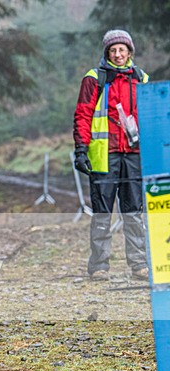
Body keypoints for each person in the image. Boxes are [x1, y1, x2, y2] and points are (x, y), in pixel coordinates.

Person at [73, 29, 150, 281]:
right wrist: (81, 149)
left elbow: (152, 118)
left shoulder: (142, 78)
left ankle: (139, 264)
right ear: (107, 52)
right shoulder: (94, 78)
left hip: (135, 155)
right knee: (103, 213)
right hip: (104, 155)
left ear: (129, 52)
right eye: (113, 50)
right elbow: (83, 114)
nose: (117, 54)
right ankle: (99, 267)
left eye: (122, 50)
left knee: (134, 212)